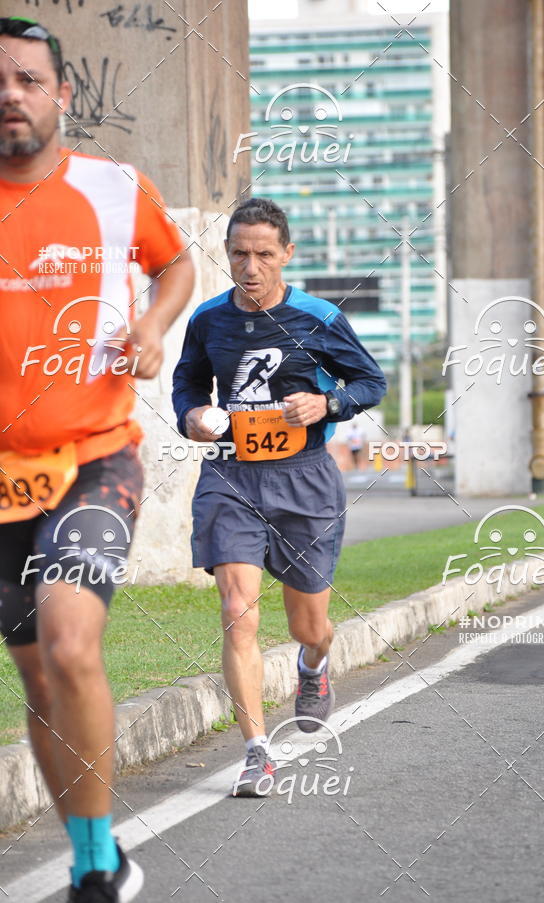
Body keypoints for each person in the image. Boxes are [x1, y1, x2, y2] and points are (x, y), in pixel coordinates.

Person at [0, 17, 194, 901]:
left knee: (71, 644)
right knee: (39, 670)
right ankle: (99, 846)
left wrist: (153, 326)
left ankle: (89, 871)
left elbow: (177, 263)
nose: (11, 95)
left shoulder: (114, 188)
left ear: (61, 96)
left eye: (29, 80)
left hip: (94, 455)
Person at [172, 197, 386, 797]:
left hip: (305, 478)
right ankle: (256, 752)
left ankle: (313, 666)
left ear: (286, 255)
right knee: (238, 609)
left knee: (307, 624)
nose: (251, 266)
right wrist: (191, 415)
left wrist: (328, 403)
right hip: (231, 476)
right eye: (240, 252)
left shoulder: (319, 315)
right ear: (228, 253)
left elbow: (371, 381)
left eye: (264, 254)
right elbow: (187, 379)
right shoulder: (208, 319)